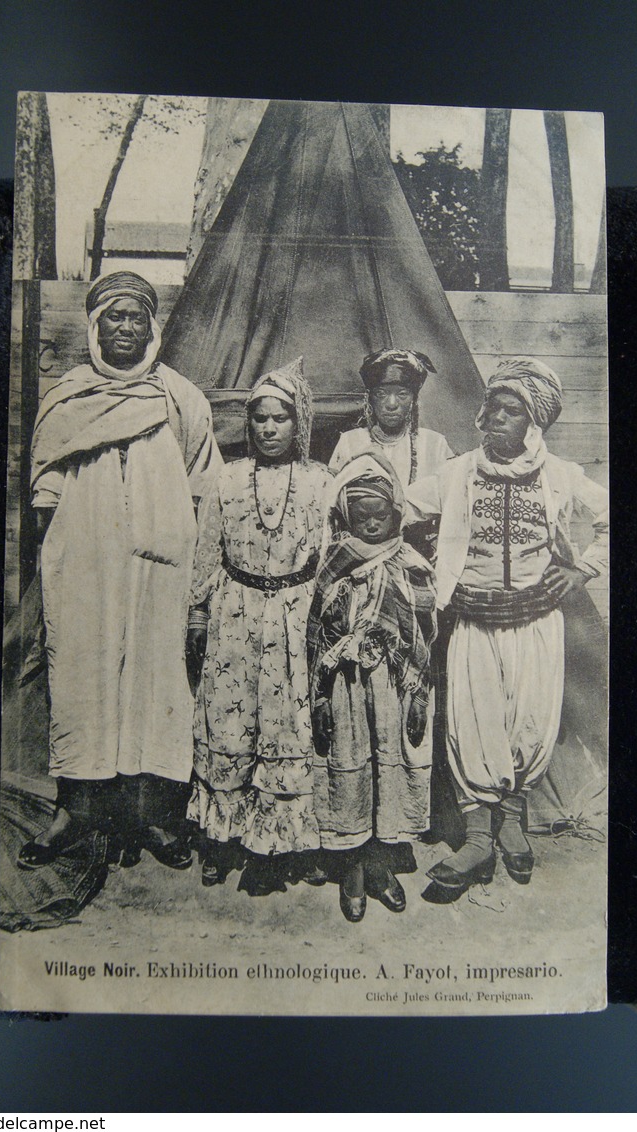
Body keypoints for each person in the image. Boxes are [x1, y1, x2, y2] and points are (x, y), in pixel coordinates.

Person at [19, 271, 222, 872]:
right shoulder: (69, 395)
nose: (126, 328)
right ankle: (74, 813)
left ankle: (153, 817)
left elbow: (201, 486)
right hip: (85, 563)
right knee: (83, 678)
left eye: (136, 317)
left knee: (156, 684)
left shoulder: (179, 397)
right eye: (115, 316)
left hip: (162, 568)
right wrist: (57, 565)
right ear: (95, 325)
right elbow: (46, 493)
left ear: (152, 326)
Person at [404, 357, 608, 898]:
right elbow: (393, 506)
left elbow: (620, 514)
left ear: (533, 423)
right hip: (472, 622)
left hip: (537, 623)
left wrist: (582, 567)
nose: (494, 416)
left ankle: (512, 825)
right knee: (474, 724)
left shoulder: (561, 476)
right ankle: (477, 839)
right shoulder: (457, 473)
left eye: (511, 410)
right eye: (492, 406)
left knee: (529, 724)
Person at [186, 357, 331, 895]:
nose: (269, 429)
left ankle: (284, 843)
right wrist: (198, 614)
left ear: (299, 426)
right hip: (234, 615)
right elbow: (206, 553)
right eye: (260, 419)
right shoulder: (224, 479)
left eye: (281, 420)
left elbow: (328, 557)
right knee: (230, 721)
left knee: (287, 725)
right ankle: (222, 839)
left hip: (295, 618)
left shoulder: (319, 482)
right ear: (248, 424)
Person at [308, 452, 438, 921]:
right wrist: (321, 693)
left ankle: (383, 863)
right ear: (345, 517)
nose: (370, 524)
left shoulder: (411, 563)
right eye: (360, 517)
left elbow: (425, 630)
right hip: (347, 682)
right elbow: (319, 629)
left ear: (397, 514)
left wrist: (419, 690)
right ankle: (354, 865)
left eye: (380, 515)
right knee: (352, 763)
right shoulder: (336, 562)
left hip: (392, 683)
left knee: (390, 763)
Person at [329, 348, 453, 489]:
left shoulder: (435, 444)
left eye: (402, 394)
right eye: (381, 394)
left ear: (414, 399)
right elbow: (334, 499)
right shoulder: (350, 441)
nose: (391, 404)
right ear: (370, 399)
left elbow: (450, 497)